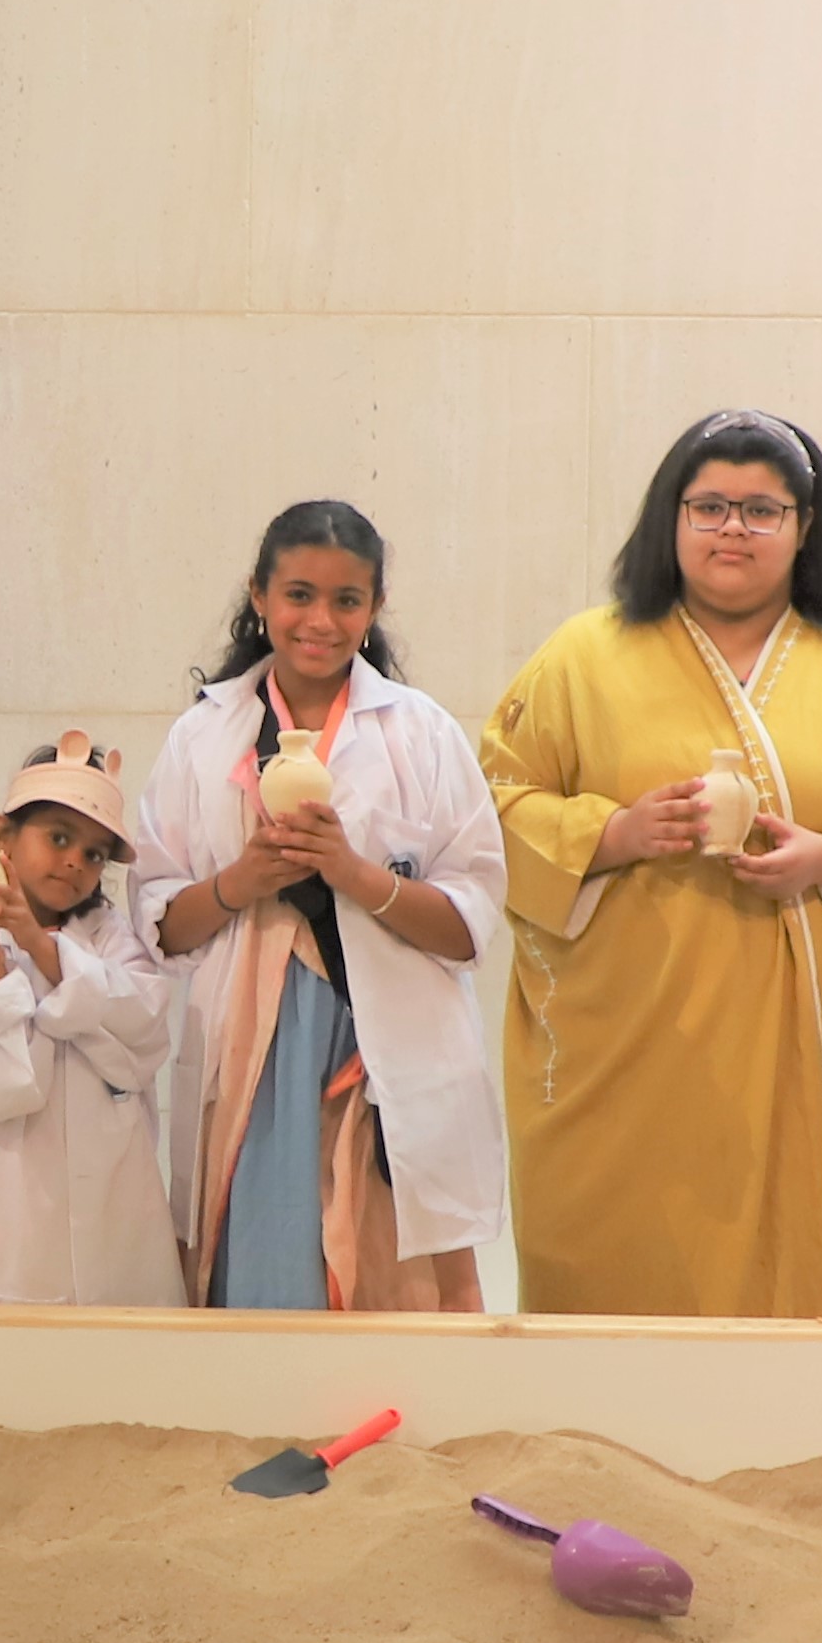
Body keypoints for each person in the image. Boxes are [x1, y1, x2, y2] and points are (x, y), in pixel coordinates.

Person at [483, 411, 822, 1318]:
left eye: (759, 509)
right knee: (613, 1274)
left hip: (808, 1040)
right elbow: (493, 807)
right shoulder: (581, 654)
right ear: (670, 517)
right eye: (707, 506)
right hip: (624, 1032)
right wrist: (616, 834)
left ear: (804, 525)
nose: (731, 529)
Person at [138, 501, 503, 1311]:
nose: (320, 621)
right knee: (262, 1263)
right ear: (258, 595)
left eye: (346, 600)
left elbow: (469, 921)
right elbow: (157, 922)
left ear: (374, 607)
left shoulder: (421, 734)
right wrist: (240, 881)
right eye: (298, 595)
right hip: (251, 1045)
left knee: (389, 1278)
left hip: (382, 1047)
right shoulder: (202, 736)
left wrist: (354, 874)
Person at [0, 734, 180, 1307]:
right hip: (6, 1227)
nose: (75, 862)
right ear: (3, 835)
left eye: (93, 854)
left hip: (116, 1220)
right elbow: (0, 1092)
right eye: (59, 838)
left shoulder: (117, 942)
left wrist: (38, 947)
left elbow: (143, 1037)